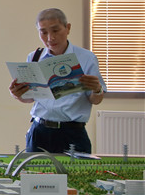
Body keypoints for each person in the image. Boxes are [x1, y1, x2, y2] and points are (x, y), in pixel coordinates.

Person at [8, 8, 105, 153]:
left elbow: (96, 100)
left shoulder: (86, 58)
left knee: (76, 169)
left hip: (73, 132)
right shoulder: (34, 57)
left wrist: (97, 89)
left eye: (55, 30)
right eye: (43, 32)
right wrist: (18, 94)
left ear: (68, 28)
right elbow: (31, 98)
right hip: (39, 131)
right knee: (35, 168)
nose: (50, 38)